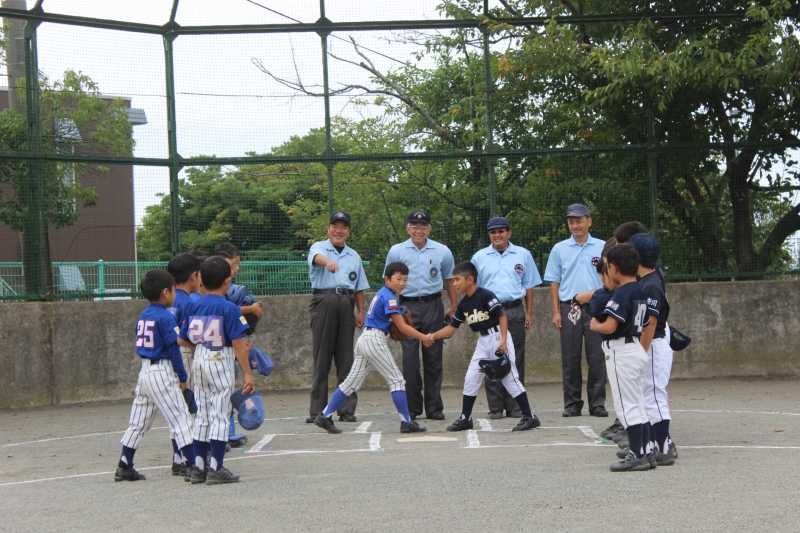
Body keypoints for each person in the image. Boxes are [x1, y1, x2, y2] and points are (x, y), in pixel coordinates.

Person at [314, 262, 432, 435]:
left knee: (350, 383)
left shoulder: (385, 294)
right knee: (397, 380)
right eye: (398, 279)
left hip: (366, 339)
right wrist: (423, 337)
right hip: (374, 340)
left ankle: (324, 415)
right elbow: (402, 327)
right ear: (387, 279)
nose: (402, 283)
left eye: (405, 279)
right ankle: (407, 422)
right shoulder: (389, 296)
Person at [427, 262, 541, 432]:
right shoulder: (464, 304)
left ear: (470, 279)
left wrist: (503, 341)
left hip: (498, 337)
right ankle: (465, 418)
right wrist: (432, 336)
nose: (454, 283)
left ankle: (529, 416)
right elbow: (451, 329)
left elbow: (502, 317)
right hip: (483, 341)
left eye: (457, 279)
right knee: (471, 377)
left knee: (509, 378)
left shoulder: (485, 295)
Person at [179, 256, 255, 485]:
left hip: (199, 357)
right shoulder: (230, 308)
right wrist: (248, 374)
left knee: (201, 414)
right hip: (220, 358)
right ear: (227, 281)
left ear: (201, 280)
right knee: (220, 414)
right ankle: (216, 467)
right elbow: (240, 344)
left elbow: (182, 339)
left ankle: (198, 468)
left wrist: (199, 348)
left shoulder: (194, 305)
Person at [115, 269, 194, 482]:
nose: (174, 294)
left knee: (138, 421)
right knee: (182, 419)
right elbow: (173, 349)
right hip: (161, 371)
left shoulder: (145, 314)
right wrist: (183, 376)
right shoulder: (165, 317)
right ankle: (193, 465)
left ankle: (125, 464)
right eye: (173, 291)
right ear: (165, 292)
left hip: (145, 371)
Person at [384, 209, 456, 421]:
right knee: (410, 361)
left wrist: (453, 306)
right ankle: (413, 408)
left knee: (434, 359)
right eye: (414, 226)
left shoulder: (442, 251)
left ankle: (434, 408)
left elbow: (449, 280)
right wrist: (391, 310)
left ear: (429, 228)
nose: (418, 230)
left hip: (433, 305)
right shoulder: (396, 251)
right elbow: (388, 283)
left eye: (423, 226)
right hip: (406, 308)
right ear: (407, 228)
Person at [589, 244, 655, 472]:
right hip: (635, 347)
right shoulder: (640, 289)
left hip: (621, 351)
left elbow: (609, 325)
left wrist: (594, 324)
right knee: (638, 403)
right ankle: (646, 451)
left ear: (614, 268)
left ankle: (636, 454)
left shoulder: (623, 292)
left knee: (627, 406)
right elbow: (647, 324)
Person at [471, 216, 542, 419]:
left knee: (515, 357)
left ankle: (516, 406)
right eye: (493, 232)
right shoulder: (479, 257)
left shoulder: (523, 254)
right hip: (489, 312)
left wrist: (528, 312)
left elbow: (529, 286)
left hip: (514, 309)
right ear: (489, 235)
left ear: (508, 233)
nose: (497, 235)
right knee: (491, 356)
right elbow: (474, 289)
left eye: (501, 231)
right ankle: (495, 407)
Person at [543, 203, 607, 417]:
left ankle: (597, 403)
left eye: (579, 220)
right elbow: (553, 281)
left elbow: (610, 278)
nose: (575, 225)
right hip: (569, 307)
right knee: (570, 357)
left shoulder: (602, 246)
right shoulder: (559, 249)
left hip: (597, 306)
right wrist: (555, 312)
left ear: (589, 221)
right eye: (571, 221)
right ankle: (571, 404)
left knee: (597, 356)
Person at [306, 211, 369, 423]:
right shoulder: (319, 247)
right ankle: (318, 411)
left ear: (348, 232)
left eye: (343, 227)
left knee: (346, 360)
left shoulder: (354, 256)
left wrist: (361, 311)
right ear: (329, 228)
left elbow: (359, 287)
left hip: (347, 303)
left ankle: (347, 408)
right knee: (322, 358)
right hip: (325, 301)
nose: (339, 230)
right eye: (335, 226)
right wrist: (328, 263)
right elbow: (316, 259)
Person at [630, 233, 677, 465]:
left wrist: (639, 352)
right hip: (649, 343)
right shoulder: (647, 277)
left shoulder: (651, 286)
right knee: (647, 395)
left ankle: (664, 446)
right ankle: (654, 443)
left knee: (654, 395)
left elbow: (650, 323)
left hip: (653, 345)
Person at [214, 242, 263, 448]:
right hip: (216, 350)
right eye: (234, 265)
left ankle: (226, 431)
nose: (237, 269)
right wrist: (250, 309)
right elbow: (226, 310)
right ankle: (219, 435)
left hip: (216, 350)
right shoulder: (213, 291)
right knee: (220, 394)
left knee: (222, 393)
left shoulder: (223, 291)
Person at [164, 252, 202, 476]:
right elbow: (190, 336)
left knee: (177, 409)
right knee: (189, 409)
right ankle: (185, 458)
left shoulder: (168, 300)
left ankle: (177, 456)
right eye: (198, 275)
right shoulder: (189, 302)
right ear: (193, 276)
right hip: (185, 355)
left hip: (167, 357)